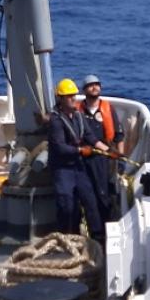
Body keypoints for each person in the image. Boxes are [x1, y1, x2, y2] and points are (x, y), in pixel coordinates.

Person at [47, 77, 110, 242]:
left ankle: (98, 239)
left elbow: (89, 136)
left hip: (78, 166)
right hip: (62, 169)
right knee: (66, 204)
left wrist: (107, 150)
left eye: (74, 95)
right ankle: (67, 237)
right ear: (60, 99)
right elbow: (60, 148)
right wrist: (81, 150)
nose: (73, 99)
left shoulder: (78, 116)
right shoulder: (55, 121)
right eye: (69, 96)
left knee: (90, 201)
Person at [78, 74, 125, 222]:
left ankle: (107, 223)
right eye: (91, 85)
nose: (95, 87)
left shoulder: (108, 109)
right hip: (84, 156)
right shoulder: (79, 111)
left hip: (105, 158)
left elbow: (119, 135)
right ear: (84, 90)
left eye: (97, 84)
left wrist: (120, 158)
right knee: (87, 193)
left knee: (105, 193)